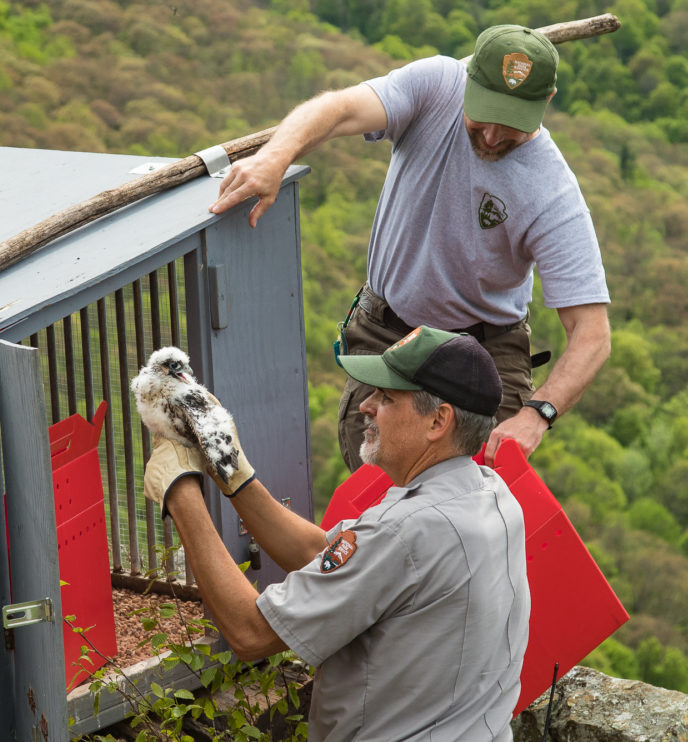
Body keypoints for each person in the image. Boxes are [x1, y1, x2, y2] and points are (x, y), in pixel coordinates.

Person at [208, 24, 611, 469]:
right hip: (388, 331)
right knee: (378, 477)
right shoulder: (437, 85)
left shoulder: (552, 191)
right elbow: (339, 109)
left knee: (477, 491)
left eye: (512, 124)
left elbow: (592, 335)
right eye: (483, 115)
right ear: (467, 80)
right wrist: (273, 157)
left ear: (546, 102)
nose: (493, 137)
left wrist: (538, 414)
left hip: (483, 349)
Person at [144, 326, 530, 741]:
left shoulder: (405, 532)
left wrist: (181, 492)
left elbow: (250, 632)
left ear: (438, 420)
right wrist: (232, 470)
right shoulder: (491, 494)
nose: (365, 405)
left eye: (386, 397)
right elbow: (325, 554)